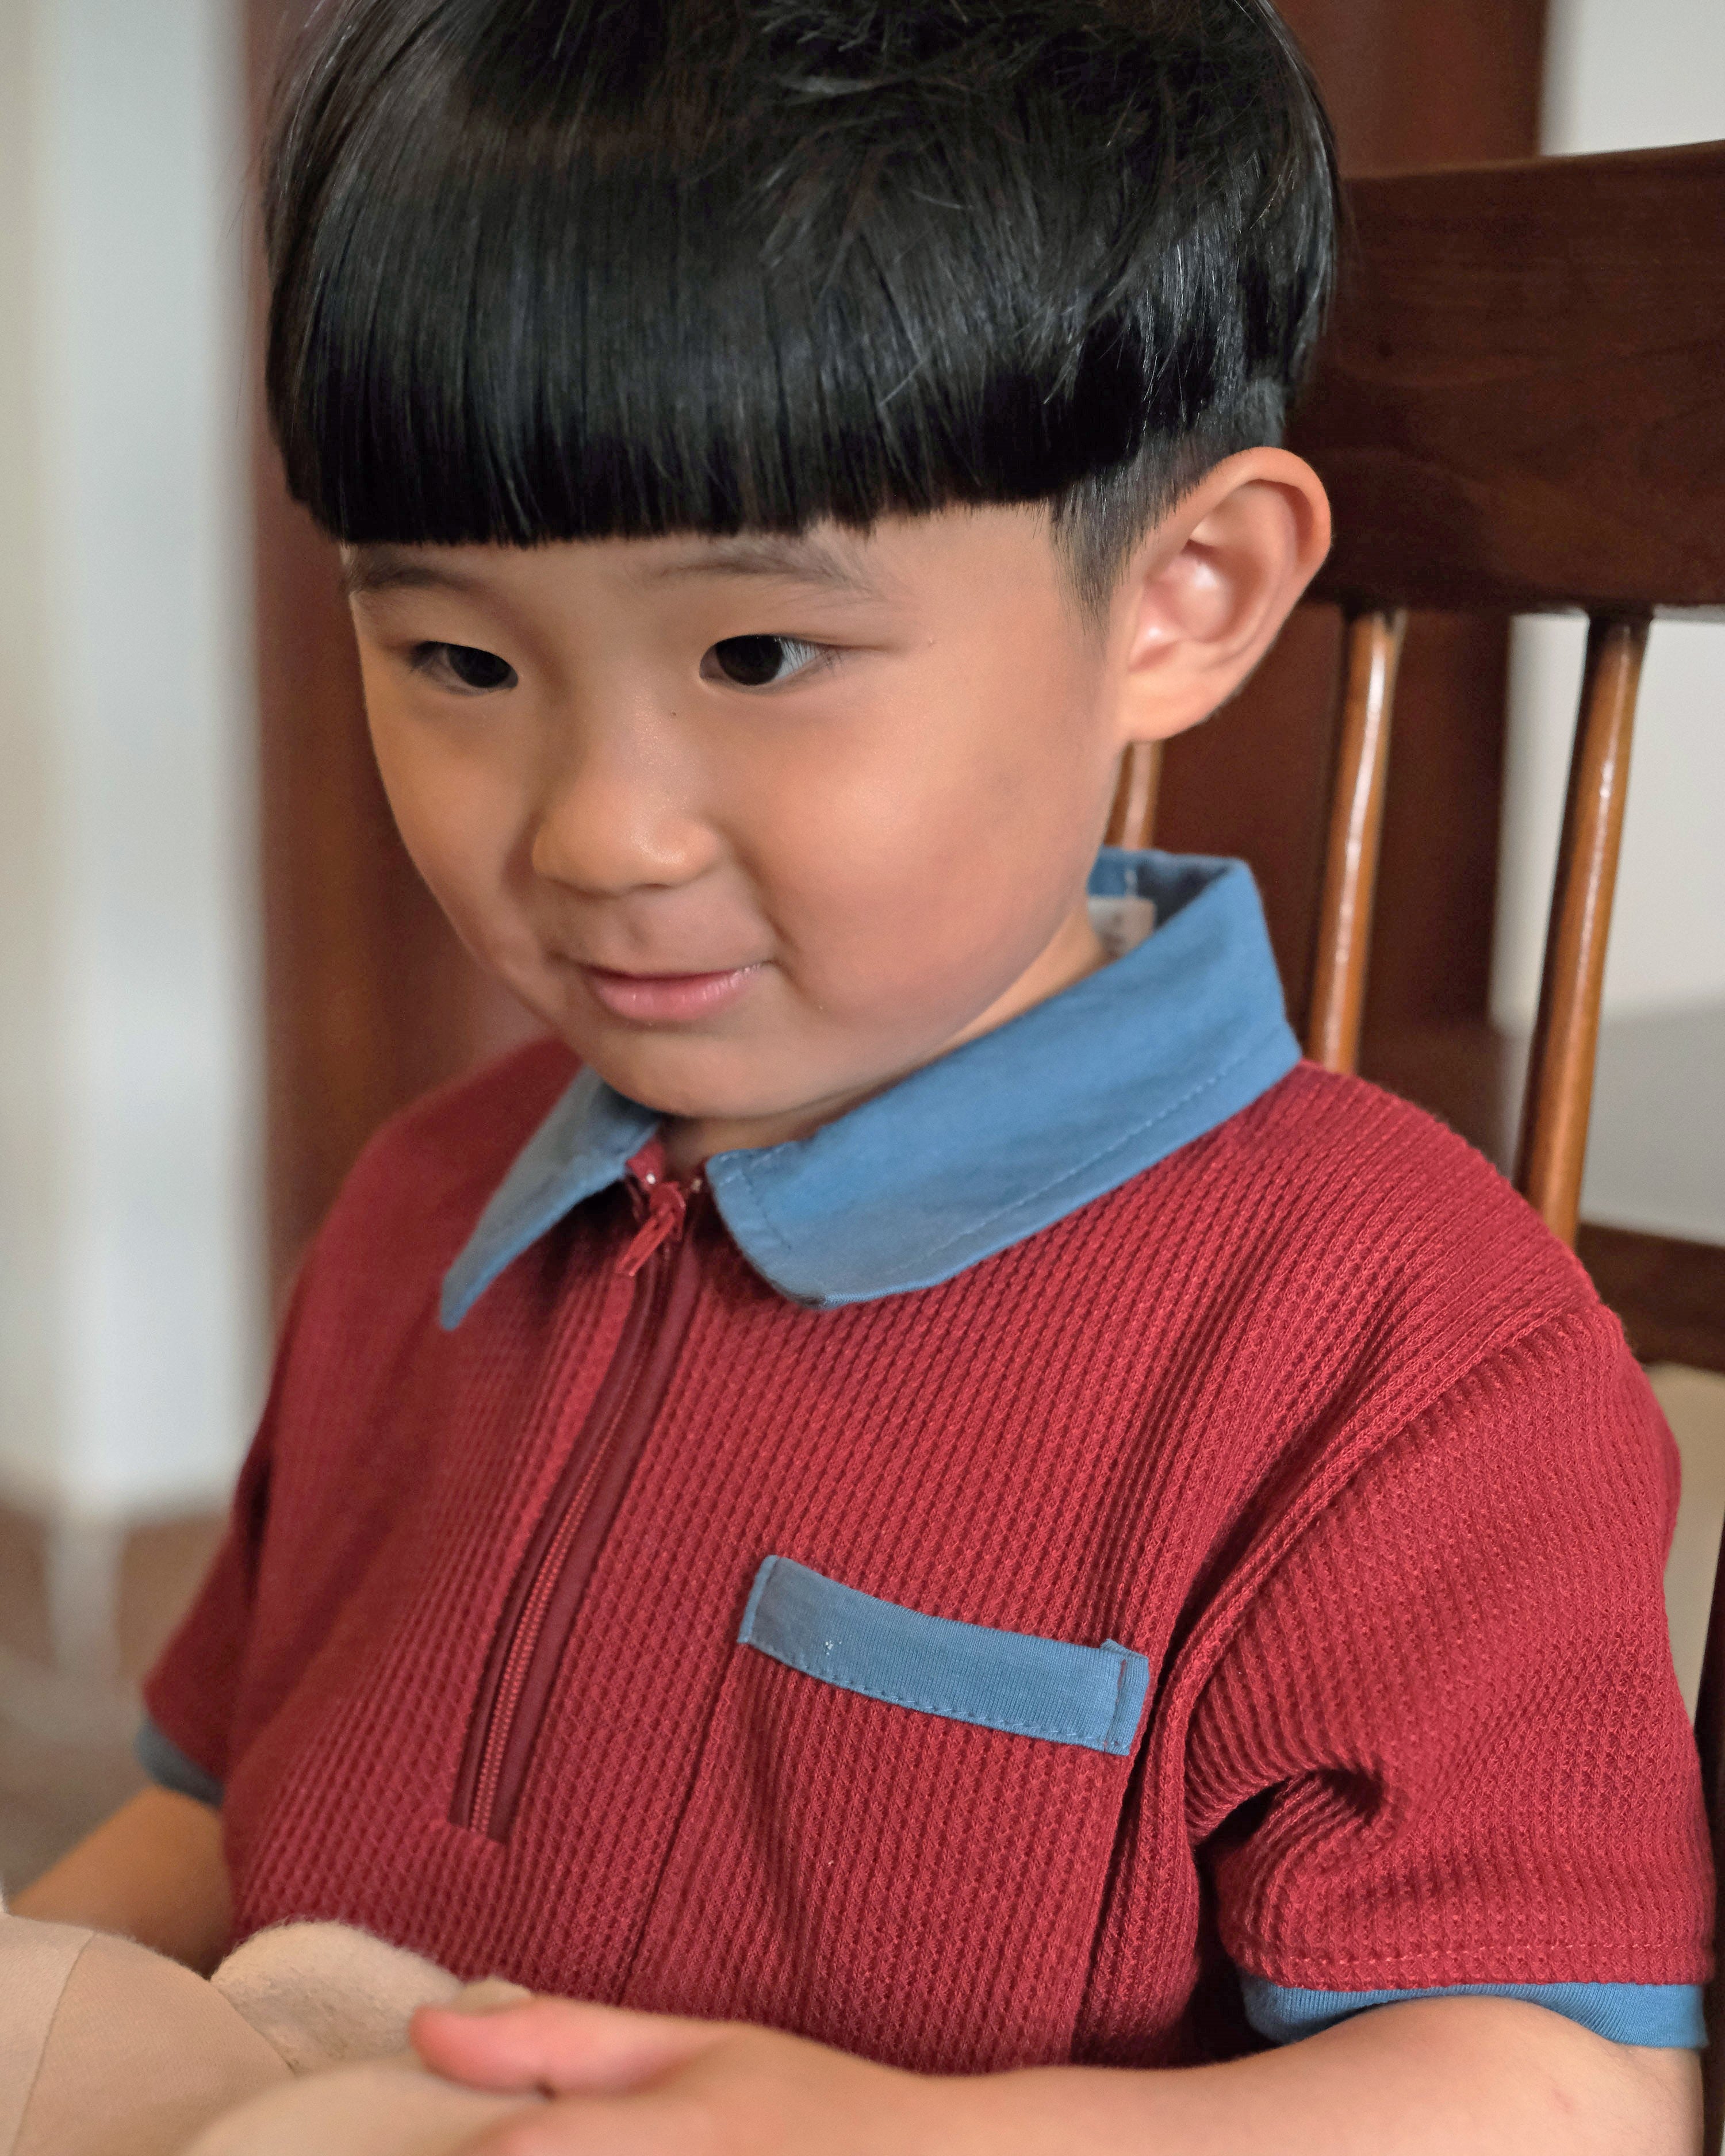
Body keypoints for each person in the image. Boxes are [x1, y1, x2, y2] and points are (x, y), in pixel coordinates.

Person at [16, 1, 1709, 2149]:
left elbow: (1567, 2095)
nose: (594, 829)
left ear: (1184, 594)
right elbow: (200, 1823)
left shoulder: (1392, 1346)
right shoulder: (426, 1211)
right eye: (458, 658)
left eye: (757, 656)